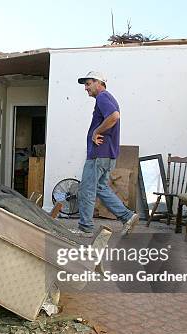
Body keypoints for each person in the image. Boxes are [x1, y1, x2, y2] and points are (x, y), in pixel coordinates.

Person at [75, 71, 138, 236]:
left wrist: (96, 131)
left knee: (87, 189)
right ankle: (127, 216)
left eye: (88, 84)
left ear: (99, 83)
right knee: (101, 188)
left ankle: (85, 228)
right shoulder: (107, 98)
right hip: (108, 155)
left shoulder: (103, 97)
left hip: (98, 154)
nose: (86, 88)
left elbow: (114, 116)